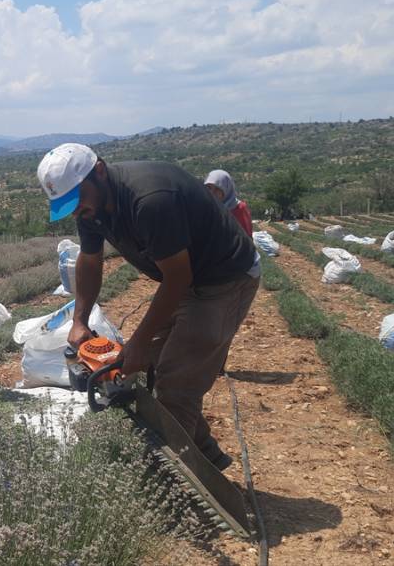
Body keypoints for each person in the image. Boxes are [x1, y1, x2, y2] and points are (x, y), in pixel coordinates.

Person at [37, 144, 259, 470]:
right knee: (149, 363)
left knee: (175, 383)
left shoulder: (151, 200)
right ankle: (207, 454)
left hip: (225, 279)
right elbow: (90, 257)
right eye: (66, 205)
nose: (75, 211)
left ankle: (173, 485)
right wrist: (79, 320)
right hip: (187, 278)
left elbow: (178, 277)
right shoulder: (91, 206)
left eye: (77, 200)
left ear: (100, 171)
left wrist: (139, 342)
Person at [204, 169, 253, 235]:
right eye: (209, 187)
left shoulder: (239, 208)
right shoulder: (205, 206)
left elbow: (246, 237)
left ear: (226, 189)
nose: (212, 193)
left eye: (217, 189)